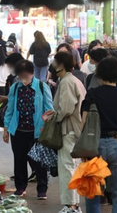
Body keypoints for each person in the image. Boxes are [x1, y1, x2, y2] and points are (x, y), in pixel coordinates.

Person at [81, 57, 117, 213]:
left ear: (99, 75)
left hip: (96, 146)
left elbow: (83, 122)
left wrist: (82, 148)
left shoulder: (92, 94)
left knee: (93, 192)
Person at [3, 60, 53, 198]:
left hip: (37, 132)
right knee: (19, 160)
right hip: (18, 131)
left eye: (25, 75)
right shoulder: (15, 88)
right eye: (20, 75)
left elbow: (50, 109)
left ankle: (42, 189)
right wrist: (6, 129)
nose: (23, 78)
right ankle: (20, 187)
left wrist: (45, 126)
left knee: (39, 162)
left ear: (32, 73)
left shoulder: (42, 87)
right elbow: (10, 110)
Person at [52, 52, 86, 213]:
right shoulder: (74, 80)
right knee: (72, 165)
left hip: (69, 128)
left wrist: (54, 118)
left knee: (67, 166)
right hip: (76, 128)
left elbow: (65, 108)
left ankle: (70, 205)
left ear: (61, 65)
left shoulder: (66, 82)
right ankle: (74, 204)